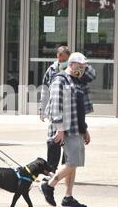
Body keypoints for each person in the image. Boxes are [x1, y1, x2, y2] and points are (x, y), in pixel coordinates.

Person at [40, 52, 91, 207]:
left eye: (83, 67)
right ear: (71, 64)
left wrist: (85, 129)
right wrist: (60, 129)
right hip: (64, 128)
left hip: (76, 127)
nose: (82, 69)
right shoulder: (59, 80)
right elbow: (55, 106)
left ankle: (68, 197)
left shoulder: (77, 81)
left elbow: (79, 109)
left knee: (73, 163)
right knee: (73, 162)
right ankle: (49, 185)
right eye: (79, 66)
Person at [39, 46, 96, 174]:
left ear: (69, 59)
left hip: (73, 114)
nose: (61, 61)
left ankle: (65, 171)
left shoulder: (79, 71)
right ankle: (52, 171)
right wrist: (42, 108)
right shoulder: (53, 70)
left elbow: (92, 75)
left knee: (69, 146)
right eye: (59, 59)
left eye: (64, 59)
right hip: (56, 111)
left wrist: (83, 66)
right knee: (55, 140)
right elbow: (45, 89)